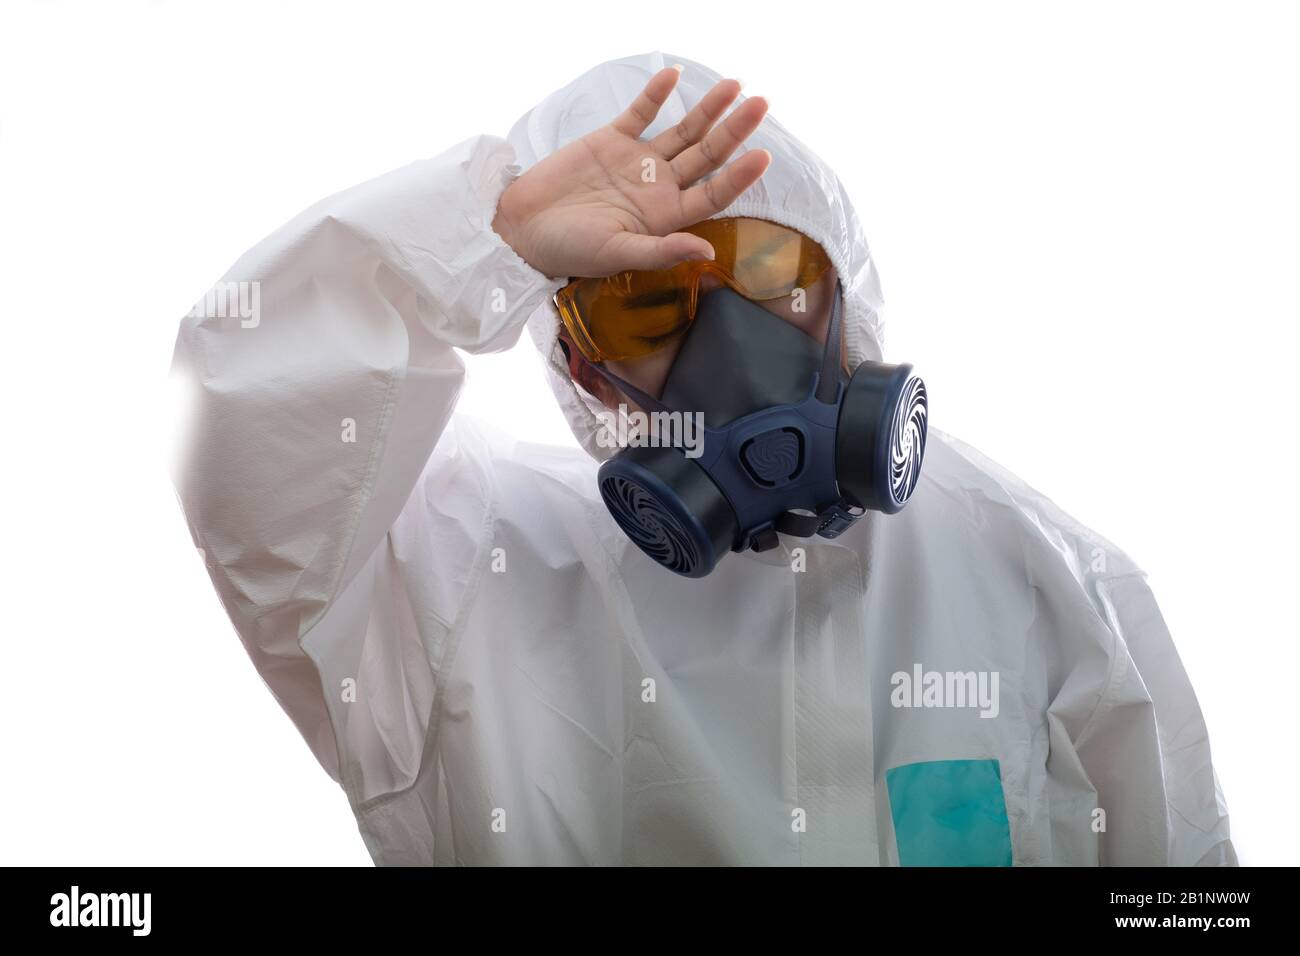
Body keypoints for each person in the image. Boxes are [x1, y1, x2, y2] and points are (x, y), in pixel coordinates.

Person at [170, 52, 1235, 865]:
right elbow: (260, 435)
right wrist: (488, 236)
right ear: (581, 367)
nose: (731, 338)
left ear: (841, 297)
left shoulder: (1042, 575)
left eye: (767, 269)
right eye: (643, 302)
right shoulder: (466, 578)